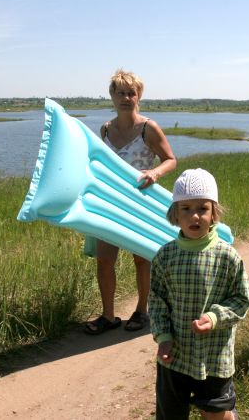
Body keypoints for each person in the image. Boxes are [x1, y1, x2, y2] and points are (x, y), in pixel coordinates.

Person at [149, 169, 249, 420]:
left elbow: (242, 299)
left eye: (203, 208)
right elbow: (156, 301)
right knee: (171, 414)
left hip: (214, 354)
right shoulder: (165, 256)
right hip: (175, 355)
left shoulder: (227, 256)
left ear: (214, 212)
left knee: (215, 413)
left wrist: (215, 317)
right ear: (175, 213)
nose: (194, 216)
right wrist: (163, 336)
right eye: (185, 208)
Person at [84, 69, 177, 335]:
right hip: (110, 204)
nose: (126, 97)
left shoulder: (148, 128)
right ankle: (108, 316)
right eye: (120, 92)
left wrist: (155, 173)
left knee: (141, 260)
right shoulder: (104, 129)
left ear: (139, 97)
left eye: (131, 93)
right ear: (112, 96)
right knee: (104, 261)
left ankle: (141, 311)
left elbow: (170, 159)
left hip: (140, 203)